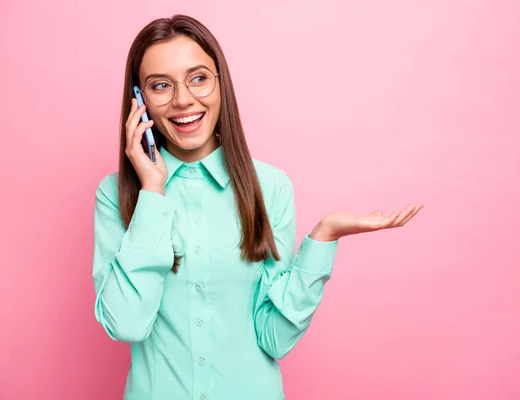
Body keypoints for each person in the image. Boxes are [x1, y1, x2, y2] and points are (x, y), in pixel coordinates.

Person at [92, 14, 424, 400]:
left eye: (198, 78)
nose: (183, 99)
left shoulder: (270, 187)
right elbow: (127, 324)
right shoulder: (115, 195)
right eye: (161, 85)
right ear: (140, 100)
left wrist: (323, 238)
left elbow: (275, 337)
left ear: (221, 83)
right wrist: (152, 191)